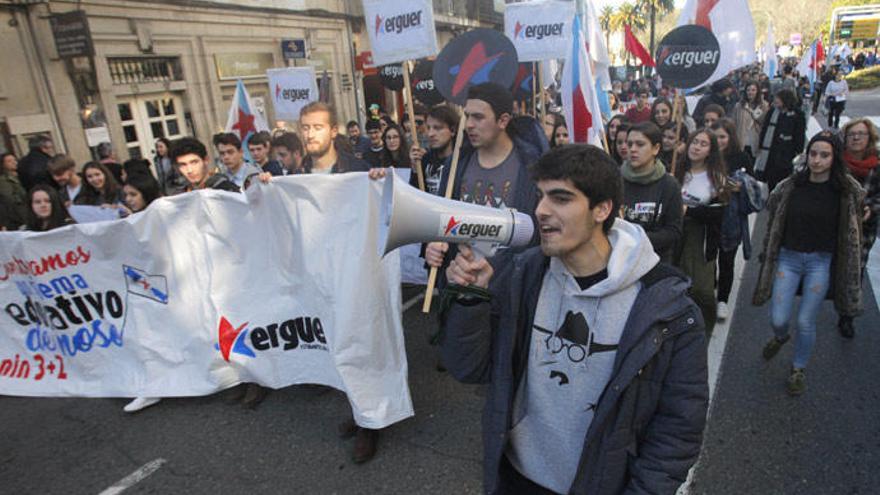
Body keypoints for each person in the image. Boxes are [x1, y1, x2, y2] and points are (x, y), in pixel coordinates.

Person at [440, 144, 708, 494]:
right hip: (514, 477)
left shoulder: (668, 309)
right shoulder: (523, 274)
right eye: (540, 197)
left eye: (561, 199)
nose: (540, 210)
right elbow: (468, 368)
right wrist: (470, 298)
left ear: (602, 209)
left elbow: (677, 432)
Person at [259, 101, 373, 462]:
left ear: (333, 130)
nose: (310, 133)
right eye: (305, 127)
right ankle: (359, 412)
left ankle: (371, 424)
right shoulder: (295, 170)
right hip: (318, 274)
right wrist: (268, 189)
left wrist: (380, 184)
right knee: (337, 345)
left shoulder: (357, 169)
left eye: (318, 127)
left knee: (363, 345)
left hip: (354, 270)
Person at [753, 133, 864, 396]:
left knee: (805, 321)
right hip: (788, 259)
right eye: (813, 153)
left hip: (819, 263)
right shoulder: (793, 185)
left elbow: (859, 201)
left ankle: (798, 369)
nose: (816, 160)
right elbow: (771, 203)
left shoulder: (844, 192)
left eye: (824, 155)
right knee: (778, 318)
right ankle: (781, 337)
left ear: (834, 158)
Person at [675, 129, 730, 337]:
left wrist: (689, 210)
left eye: (703, 144)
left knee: (701, 292)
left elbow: (718, 215)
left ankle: (701, 336)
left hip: (701, 239)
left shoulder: (716, 178)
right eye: (694, 142)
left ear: (711, 151)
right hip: (675, 235)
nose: (696, 147)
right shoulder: (676, 170)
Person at [836, 118, 880, 337]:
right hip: (835, 224)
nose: (855, 138)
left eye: (860, 134)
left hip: (864, 228)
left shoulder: (877, 164)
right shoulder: (836, 160)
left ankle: (847, 316)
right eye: (851, 134)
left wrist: (871, 207)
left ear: (869, 138)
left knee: (856, 270)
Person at [620, 122, 684, 263]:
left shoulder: (669, 185)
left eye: (640, 144)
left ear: (655, 148)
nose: (633, 149)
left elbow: (674, 231)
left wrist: (637, 239)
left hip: (656, 262)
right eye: (630, 144)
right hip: (620, 261)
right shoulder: (615, 180)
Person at [711, 119, 754, 321]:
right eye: (715, 136)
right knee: (709, 258)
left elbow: (754, 186)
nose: (718, 141)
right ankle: (709, 284)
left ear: (730, 137)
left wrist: (741, 186)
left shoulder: (741, 158)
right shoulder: (705, 156)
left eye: (722, 136)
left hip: (732, 219)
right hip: (708, 216)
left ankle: (723, 300)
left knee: (726, 261)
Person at [755, 89, 806, 192]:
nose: (775, 101)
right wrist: (761, 145)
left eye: (778, 99)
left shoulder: (798, 114)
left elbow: (800, 135)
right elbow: (765, 128)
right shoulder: (773, 111)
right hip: (771, 151)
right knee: (771, 178)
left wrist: (798, 152)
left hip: (787, 152)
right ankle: (772, 197)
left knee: (783, 178)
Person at [409, 105, 459, 195]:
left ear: (452, 130)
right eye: (428, 128)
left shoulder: (460, 162)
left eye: (437, 128)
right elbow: (415, 195)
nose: (430, 134)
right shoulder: (425, 159)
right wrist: (415, 169)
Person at [171, 137, 239, 193]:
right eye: (183, 165)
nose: (189, 170)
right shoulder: (180, 195)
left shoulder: (226, 189)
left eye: (194, 162)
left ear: (206, 160)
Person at [733, 81, 769, 159]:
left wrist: (753, 112)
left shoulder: (764, 105)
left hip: (755, 140)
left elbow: (764, 122)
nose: (750, 92)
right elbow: (734, 123)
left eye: (753, 90)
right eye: (748, 90)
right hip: (741, 140)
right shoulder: (739, 105)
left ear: (757, 91)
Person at [0, 153, 28, 230]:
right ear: (3, 164)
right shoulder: (3, 181)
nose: (14, 162)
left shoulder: (17, 176)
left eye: (14, 160)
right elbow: (9, 200)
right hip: (18, 217)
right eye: (9, 161)